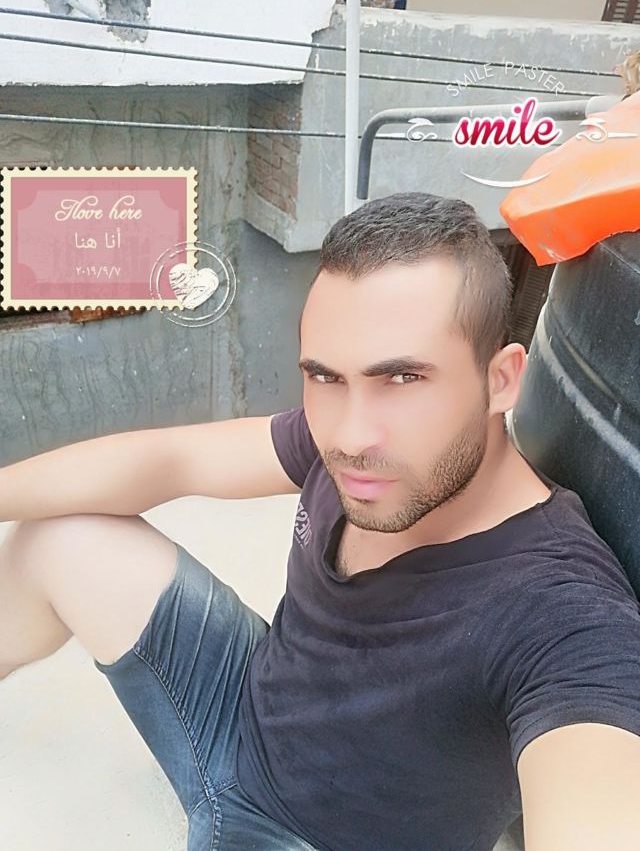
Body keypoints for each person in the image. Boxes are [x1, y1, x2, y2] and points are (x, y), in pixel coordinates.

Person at [2, 192, 640, 851]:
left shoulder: (565, 613)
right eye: (326, 377)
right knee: (56, 532)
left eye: (402, 379)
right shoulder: (350, 439)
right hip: (241, 705)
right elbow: (173, 459)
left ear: (501, 379)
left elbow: (595, 793)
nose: (351, 435)